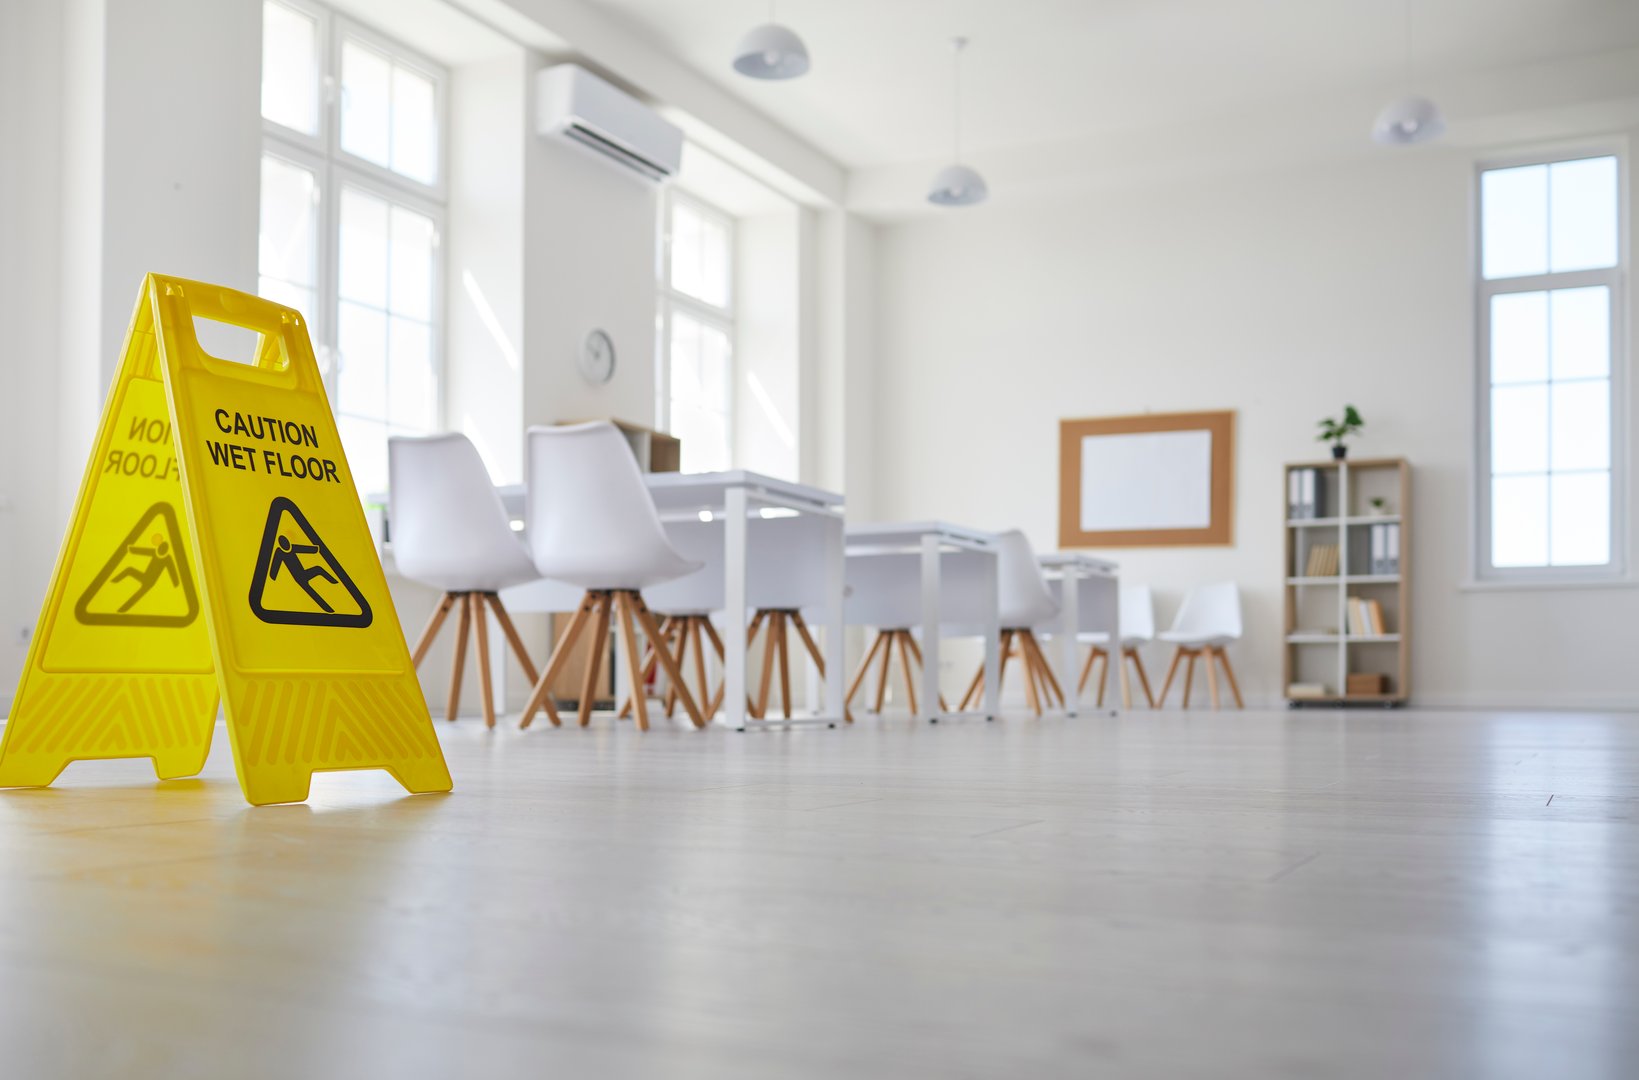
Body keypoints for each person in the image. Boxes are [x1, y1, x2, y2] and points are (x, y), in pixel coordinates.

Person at [111, 532, 179, 613]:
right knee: (129, 570)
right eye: (160, 547)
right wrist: (130, 549)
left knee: (137, 595)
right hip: (145, 576)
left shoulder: (167, 558)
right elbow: (143, 551)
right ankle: (113, 581)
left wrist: (176, 583)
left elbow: (172, 571)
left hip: (150, 583)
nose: (160, 549)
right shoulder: (155, 552)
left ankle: (122, 610)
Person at [268, 533, 337, 613]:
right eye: (284, 542)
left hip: (303, 573)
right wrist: (273, 576)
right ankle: (327, 608)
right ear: (281, 544)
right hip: (298, 578)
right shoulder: (280, 552)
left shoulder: (292, 548)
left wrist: (316, 549)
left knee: (318, 569)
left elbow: (304, 549)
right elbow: (275, 564)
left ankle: (334, 582)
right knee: (311, 592)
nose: (286, 543)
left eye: (286, 541)